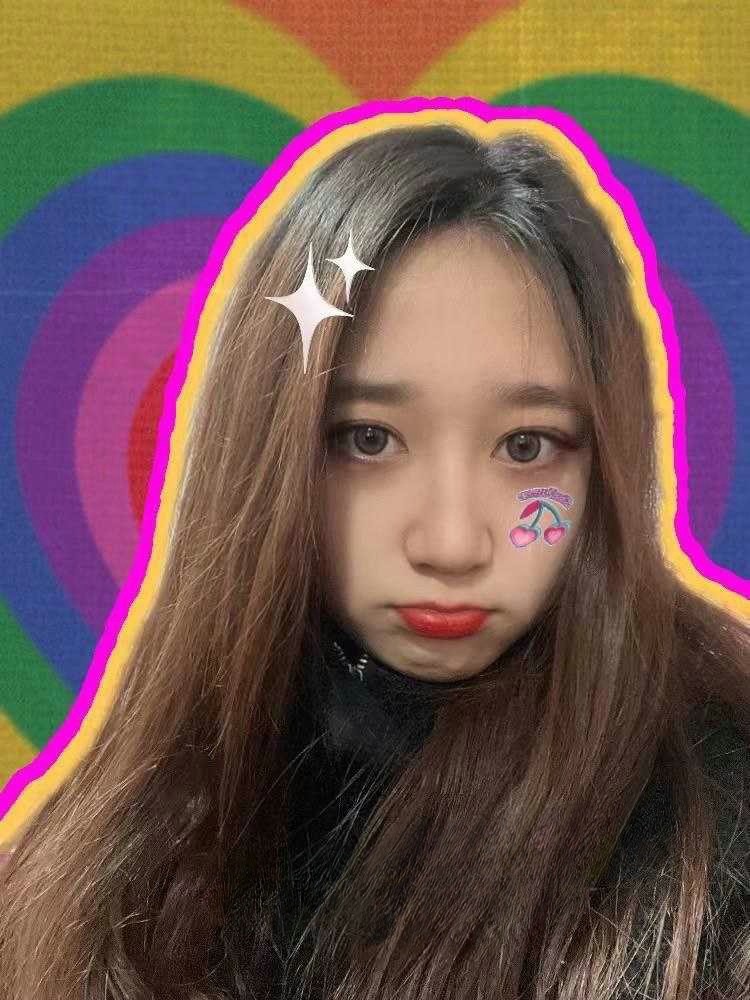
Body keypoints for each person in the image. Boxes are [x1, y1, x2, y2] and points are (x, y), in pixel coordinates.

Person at [0, 119, 748, 1000]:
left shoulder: (714, 833)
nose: (451, 544)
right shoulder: (121, 850)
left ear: (605, 460)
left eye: (527, 446)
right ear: (272, 448)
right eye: (368, 439)